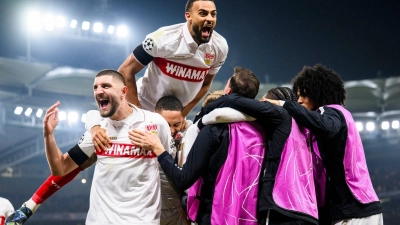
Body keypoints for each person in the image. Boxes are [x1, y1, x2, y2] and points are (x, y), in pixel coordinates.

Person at [12, 69, 174, 225]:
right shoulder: (97, 131)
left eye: (106, 86)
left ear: (124, 92)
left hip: (142, 221)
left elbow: (168, 169)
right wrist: (48, 135)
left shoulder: (155, 123)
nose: (98, 91)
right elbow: (60, 168)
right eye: (95, 87)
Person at [131, 67, 266, 225]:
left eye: (175, 124)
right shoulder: (263, 130)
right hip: (249, 213)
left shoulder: (206, 129)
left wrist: (159, 149)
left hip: (213, 214)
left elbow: (184, 180)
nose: (171, 130)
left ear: (228, 92)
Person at [267, 64, 384, 224]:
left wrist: (284, 104)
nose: (299, 100)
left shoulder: (330, 111)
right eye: (297, 95)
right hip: (362, 208)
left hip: (353, 212)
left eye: (304, 94)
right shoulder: (342, 115)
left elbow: (326, 126)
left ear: (318, 92)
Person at [198, 86, 321, 225]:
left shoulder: (280, 117)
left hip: (283, 208)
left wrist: (201, 120)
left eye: (263, 103)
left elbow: (226, 112)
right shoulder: (304, 128)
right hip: (309, 213)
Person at [119, 0, 228, 117]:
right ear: (188, 16)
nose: (210, 19)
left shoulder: (220, 47)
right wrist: (138, 113)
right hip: (146, 107)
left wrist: (183, 114)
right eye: (203, 13)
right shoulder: (161, 39)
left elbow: (205, 84)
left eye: (213, 14)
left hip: (176, 118)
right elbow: (125, 70)